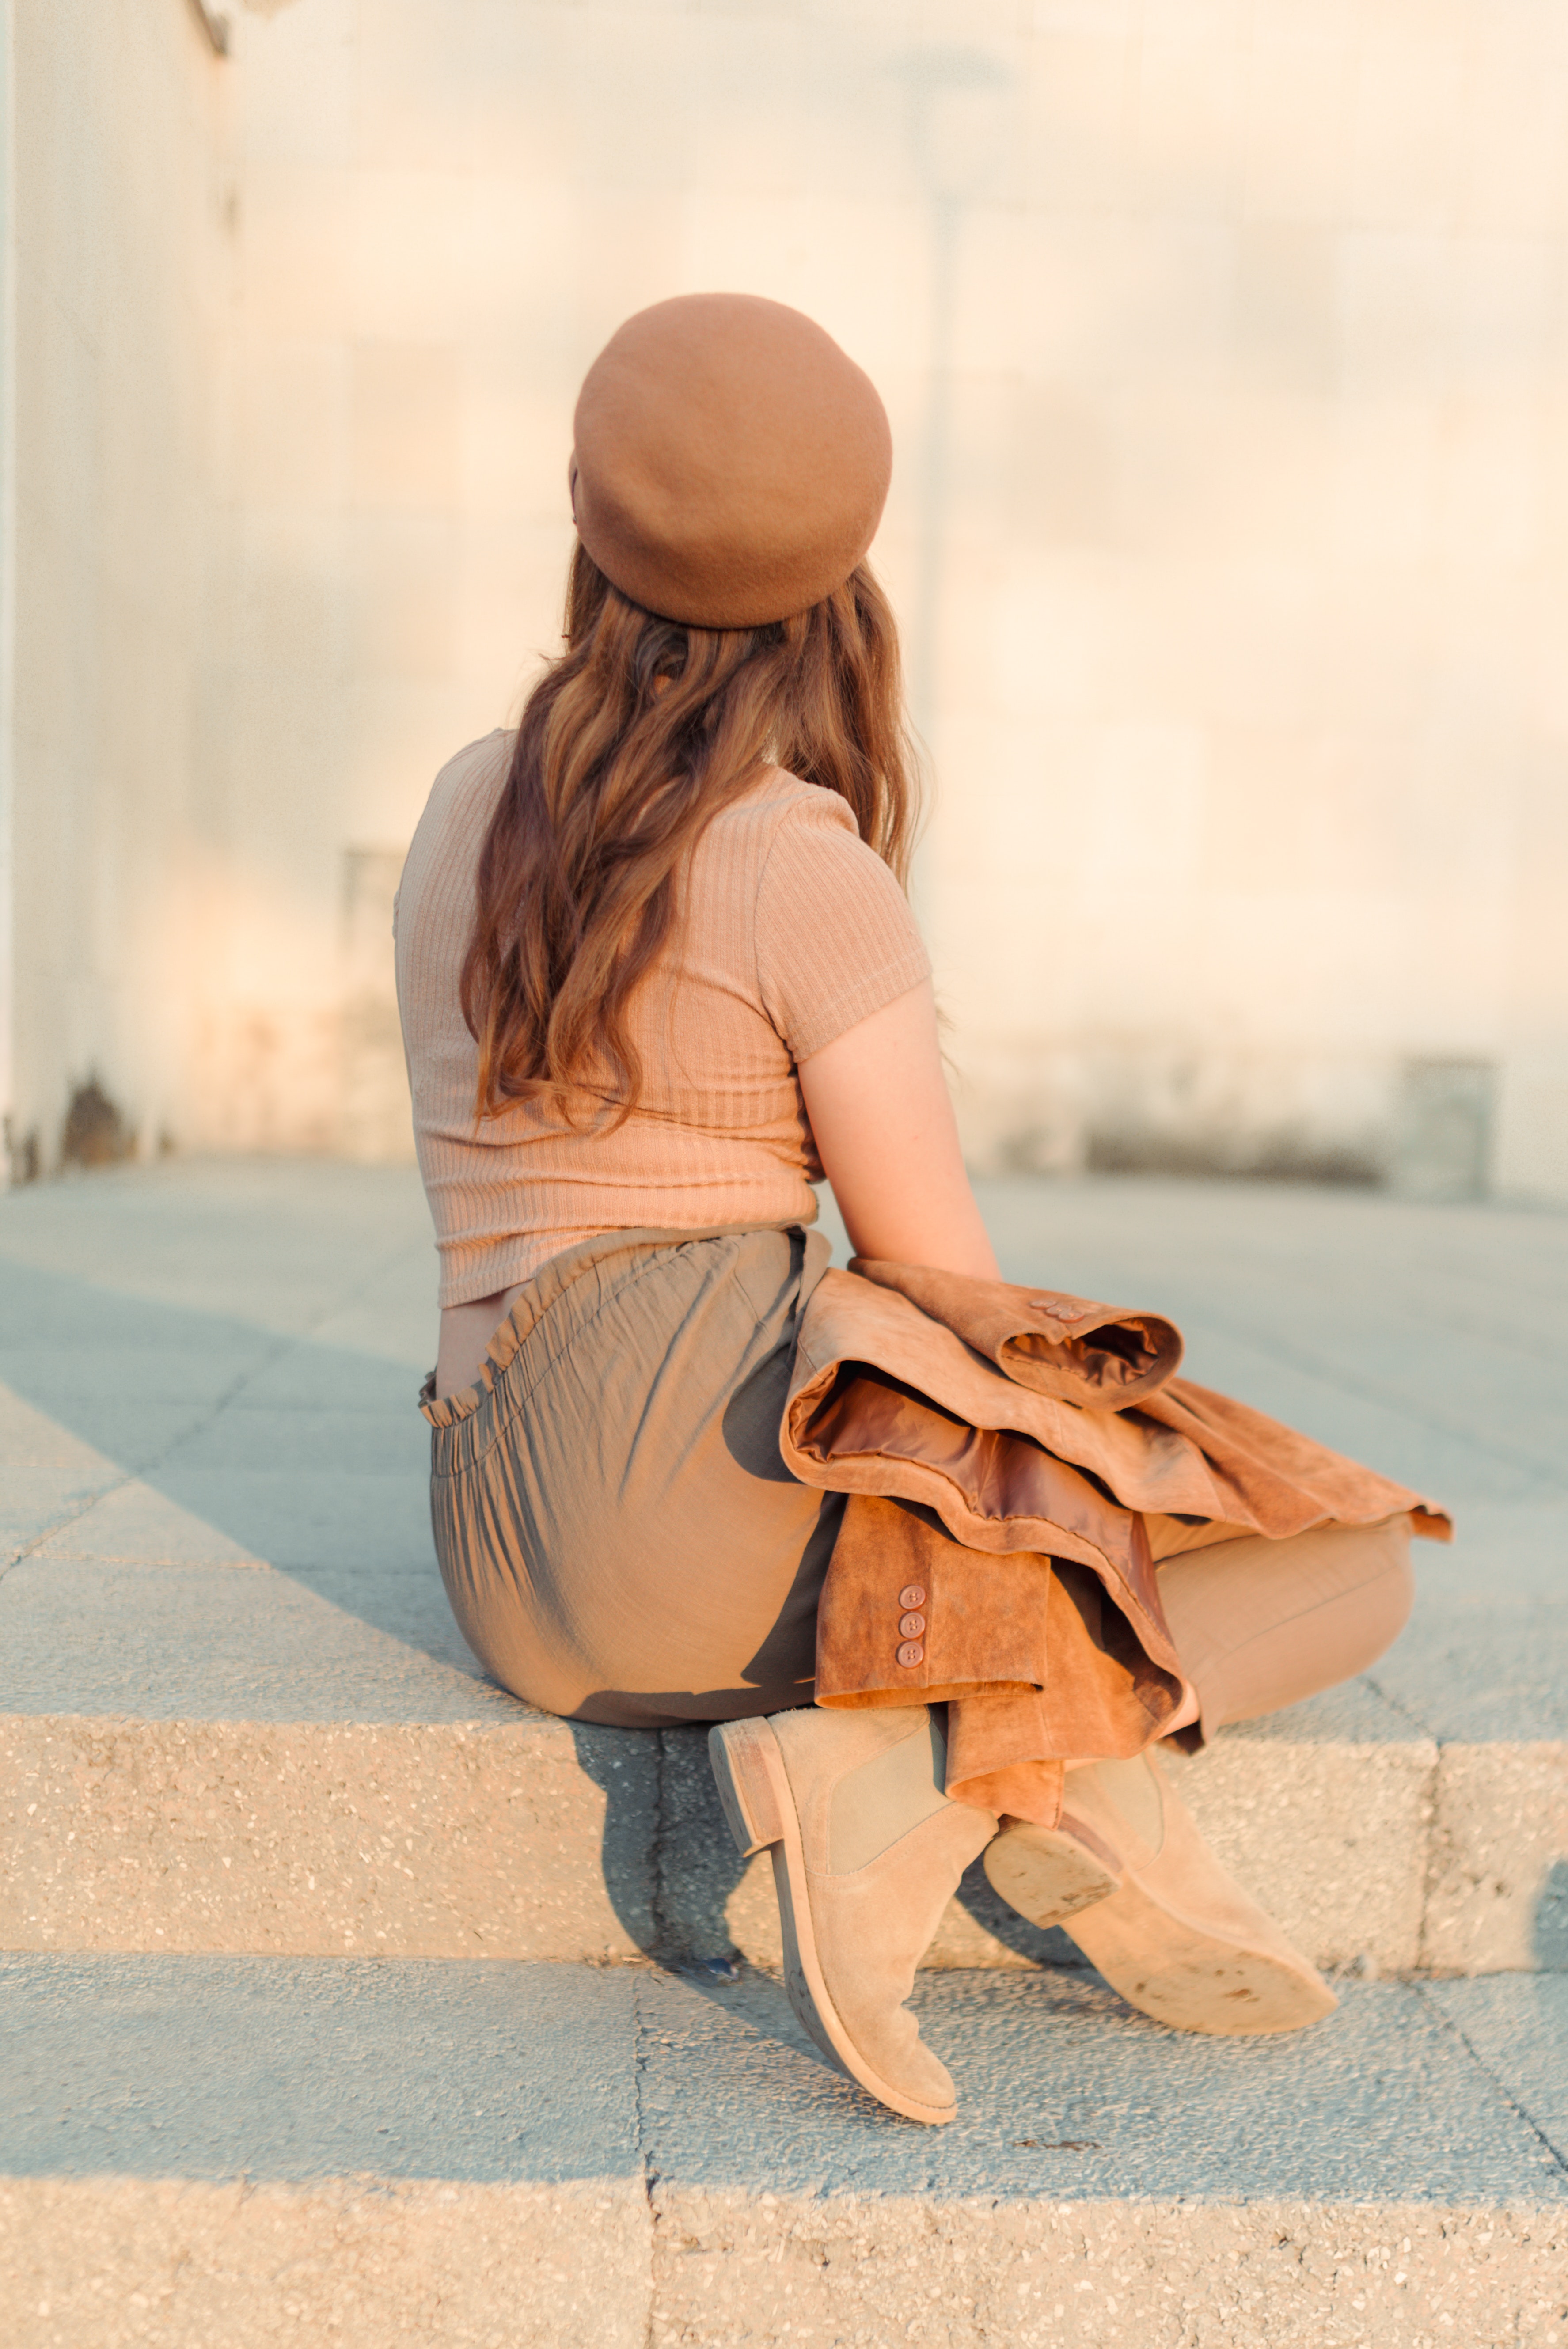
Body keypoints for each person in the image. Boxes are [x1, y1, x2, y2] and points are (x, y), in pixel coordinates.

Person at [395, 293, 1438, 2128]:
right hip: (685, 1534)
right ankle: (920, 1771)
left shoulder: (463, 800)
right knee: (1345, 1561)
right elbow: (940, 1283)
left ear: (588, 517)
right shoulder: (798, 862)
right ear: (840, 581)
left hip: (496, 1544)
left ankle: (953, 1758)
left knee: (1042, 1477)